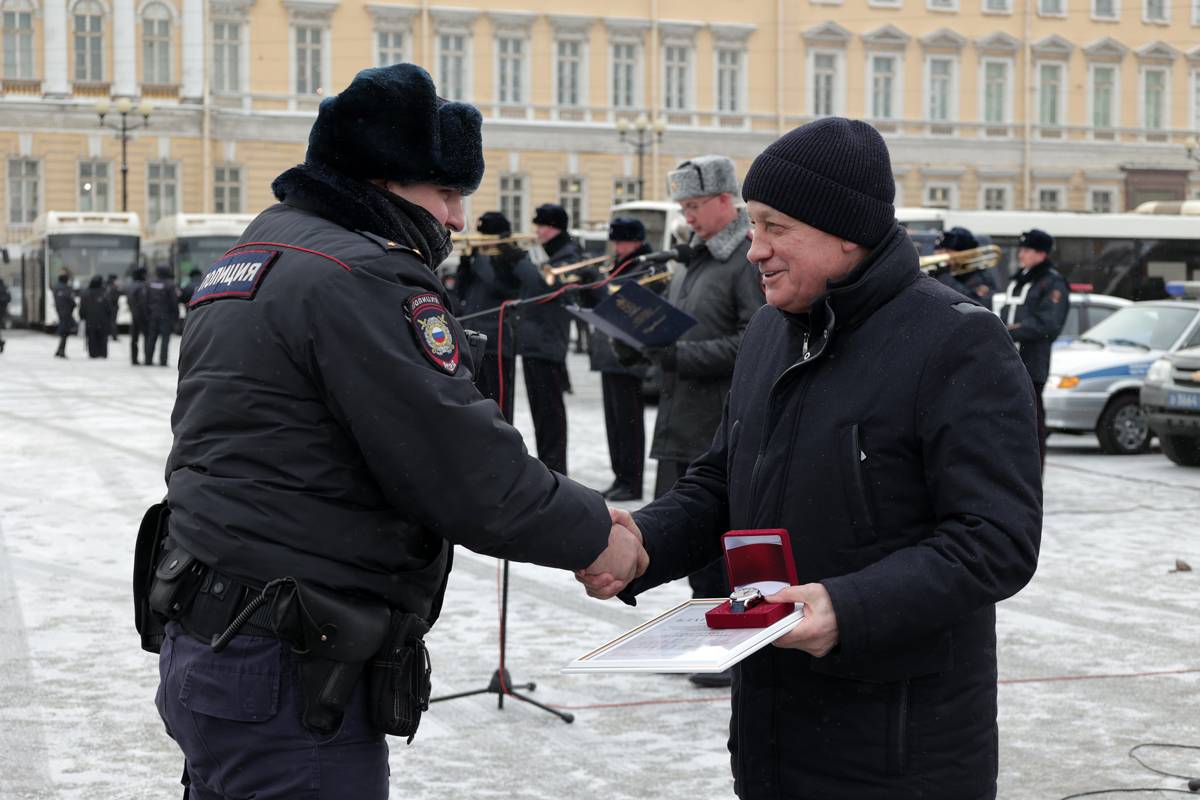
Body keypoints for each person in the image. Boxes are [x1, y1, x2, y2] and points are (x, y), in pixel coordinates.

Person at [153, 63, 645, 800]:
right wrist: (597, 534)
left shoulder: (254, 254)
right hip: (290, 663)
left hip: (214, 636)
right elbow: (463, 469)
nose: (454, 218)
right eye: (445, 192)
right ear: (381, 183)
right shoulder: (360, 275)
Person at [583, 118, 1042, 800]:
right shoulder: (771, 330)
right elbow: (720, 477)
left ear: (846, 231)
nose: (754, 249)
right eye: (753, 224)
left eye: (775, 227)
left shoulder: (957, 341)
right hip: (774, 729)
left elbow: (995, 539)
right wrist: (646, 542)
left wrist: (846, 608)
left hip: (899, 751)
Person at [619, 155, 762, 686]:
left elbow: (757, 338)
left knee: (720, 544)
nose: (688, 216)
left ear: (726, 201)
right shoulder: (692, 259)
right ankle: (706, 635)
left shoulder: (745, 260)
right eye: (684, 207)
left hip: (719, 423)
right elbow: (678, 333)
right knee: (687, 537)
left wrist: (683, 357)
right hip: (682, 417)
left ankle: (730, 646)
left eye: (695, 206)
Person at [583, 217, 657, 501]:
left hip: (629, 357)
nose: (617, 246)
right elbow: (601, 305)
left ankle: (632, 480)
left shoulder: (647, 266)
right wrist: (587, 291)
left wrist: (598, 286)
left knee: (628, 423)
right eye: (615, 241)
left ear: (636, 241)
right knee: (614, 423)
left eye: (622, 241)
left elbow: (626, 302)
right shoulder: (617, 266)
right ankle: (620, 476)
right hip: (608, 356)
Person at [454, 211, 540, 421]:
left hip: (497, 342)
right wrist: (465, 266)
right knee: (474, 404)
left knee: (498, 405)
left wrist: (499, 259)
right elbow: (461, 292)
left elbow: (515, 285)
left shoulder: (512, 259)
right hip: (472, 341)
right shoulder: (478, 258)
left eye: (486, 237)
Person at [516, 202, 579, 475]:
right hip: (538, 342)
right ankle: (549, 468)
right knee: (543, 415)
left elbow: (542, 288)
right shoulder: (555, 253)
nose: (538, 232)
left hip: (548, 343)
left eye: (542, 226)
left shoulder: (568, 255)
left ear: (554, 228)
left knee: (550, 416)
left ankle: (554, 470)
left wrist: (518, 262)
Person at [1003, 228, 1069, 468]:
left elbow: (1049, 324)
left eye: (1027, 250)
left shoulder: (1052, 282)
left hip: (1032, 362)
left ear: (1041, 254)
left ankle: (1034, 469)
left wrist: (1011, 331)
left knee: (1032, 420)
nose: (1021, 254)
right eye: (1021, 249)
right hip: (1009, 360)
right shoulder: (1020, 278)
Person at [933, 226, 997, 311]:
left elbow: (979, 306)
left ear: (964, 254)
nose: (945, 256)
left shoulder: (980, 277)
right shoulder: (947, 272)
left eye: (948, 251)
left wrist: (944, 277)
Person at [144, 265, 179, 366]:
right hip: (165, 315)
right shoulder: (170, 285)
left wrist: (147, 313)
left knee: (151, 338)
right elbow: (174, 302)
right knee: (165, 339)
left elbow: (145, 300)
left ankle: (148, 360)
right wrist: (175, 316)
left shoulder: (149, 283)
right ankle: (163, 360)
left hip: (152, 315)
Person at [80, 275, 112, 358]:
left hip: (90, 320)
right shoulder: (105, 293)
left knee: (92, 337)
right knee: (103, 338)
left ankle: (93, 353)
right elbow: (109, 308)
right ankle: (102, 353)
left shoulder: (86, 293)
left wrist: (82, 317)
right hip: (103, 320)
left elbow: (82, 308)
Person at [128, 267, 150, 365]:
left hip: (134, 314)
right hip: (142, 315)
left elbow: (129, 301)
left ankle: (134, 358)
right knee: (146, 337)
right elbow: (143, 302)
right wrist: (147, 315)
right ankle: (147, 358)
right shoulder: (143, 286)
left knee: (134, 338)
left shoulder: (131, 286)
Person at [52, 273, 76, 359]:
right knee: (65, 333)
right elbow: (71, 301)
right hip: (66, 313)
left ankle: (59, 350)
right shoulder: (66, 289)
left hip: (60, 312)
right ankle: (61, 351)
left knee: (64, 333)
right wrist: (72, 307)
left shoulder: (56, 288)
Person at [104, 274, 121, 341]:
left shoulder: (106, 286)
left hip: (107, 307)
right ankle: (114, 336)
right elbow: (115, 297)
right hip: (113, 307)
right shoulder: (113, 287)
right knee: (113, 322)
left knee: (108, 322)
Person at [0, 277, 10, 354]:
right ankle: (1, 342)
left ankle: (1, 342)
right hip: (2, 311)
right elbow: (9, 298)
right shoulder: (5, 288)